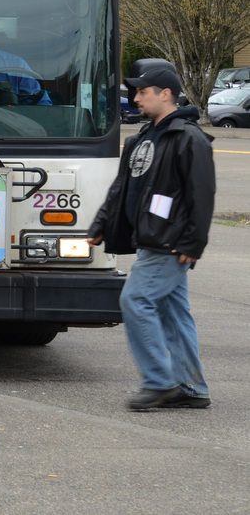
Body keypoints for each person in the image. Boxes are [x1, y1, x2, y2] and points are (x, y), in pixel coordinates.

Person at [86, 66, 215, 411]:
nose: (136, 98)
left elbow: (201, 195)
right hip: (151, 240)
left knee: (135, 301)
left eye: (143, 92)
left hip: (169, 243)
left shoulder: (189, 138)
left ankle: (159, 382)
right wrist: (100, 225)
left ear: (166, 94)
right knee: (174, 314)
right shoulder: (143, 138)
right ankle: (191, 386)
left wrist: (192, 243)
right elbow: (121, 188)